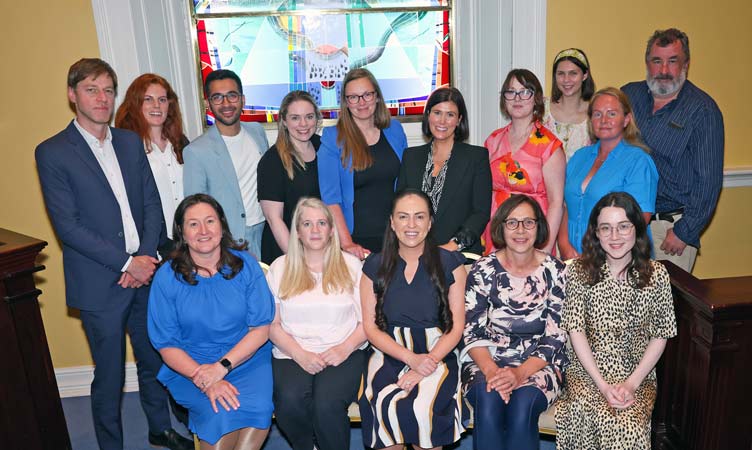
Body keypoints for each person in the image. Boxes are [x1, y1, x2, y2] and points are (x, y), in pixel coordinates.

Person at [35, 58, 192, 450]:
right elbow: (68, 227)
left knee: (154, 359)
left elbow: (152, 204)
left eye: (108, 90)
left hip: (144, 273)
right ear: (73, 95)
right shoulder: (53, 152)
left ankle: (160, 428)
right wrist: (126, 263)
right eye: (91, 89)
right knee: (109, 375)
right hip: (99, 281)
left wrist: (143, 259)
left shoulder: (127, 141)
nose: (101, 98)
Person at [147, 194, 275, 450]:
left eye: (210, 221)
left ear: (222, 226)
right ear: (182, 232)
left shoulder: (246, 266)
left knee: (257, 407)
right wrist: (205, 377)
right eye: (193, 224)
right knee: (221, 413)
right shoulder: (166, 278)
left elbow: (261, 328)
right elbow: (166, 345)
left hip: (245, 359)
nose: (203, 231)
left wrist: (222, 367)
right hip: (191, 367)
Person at [556, 192, 677, 449]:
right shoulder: (579, 272)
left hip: (636, 372)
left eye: (623, 227)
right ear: (596, 233)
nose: (615, 236)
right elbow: (575, 331)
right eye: (606, 228)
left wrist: (631, 384)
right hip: (587, 371)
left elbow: (661, 335)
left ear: (637, 229)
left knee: (627, 425)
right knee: (583, 413)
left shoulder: (657, 275)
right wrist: (602, 384)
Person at [360, 189, 467, 449]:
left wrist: (424, 364)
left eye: (419, 217)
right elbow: (371, 328)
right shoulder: (374, 265)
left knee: (422, 409)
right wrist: (410, 360)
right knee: (386, 403)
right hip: (388, 349)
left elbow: (456, 328)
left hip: (438, 350)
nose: (411, 225)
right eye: (403, 217)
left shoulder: (451, 263)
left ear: (430, 222)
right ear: (392, 222)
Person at [462, 195, 567, 450]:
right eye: (512, 223)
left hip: (540, 364)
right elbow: (472, 331)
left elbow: (554, 337)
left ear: (539, 227)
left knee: (522, 409)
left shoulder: (557, 271)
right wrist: (493, 372)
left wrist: (519, 374)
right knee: (488, 402)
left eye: (528, 222)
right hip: (486, 361)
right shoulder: (482, 269)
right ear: (501, 227)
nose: (520, 230)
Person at [266, 197, 367, 450]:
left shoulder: (352, 266)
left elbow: (368, 322)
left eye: (321, 223)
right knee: (289, 401)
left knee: (326, 404)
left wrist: (343, 349)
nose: (315, 230)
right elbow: (272, 325)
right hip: (292, 351)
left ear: (331, 230)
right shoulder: (280, 267)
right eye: (307, 223)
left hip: (344, 349)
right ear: (297, 231)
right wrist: (300, 354)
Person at [622, 28, 724, 273]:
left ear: (686, 63)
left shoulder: (703, 110)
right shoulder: (628, 96)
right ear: (647, 62)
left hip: (668, 231)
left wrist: (684, 232)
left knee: (667, 309)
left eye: (673, 61)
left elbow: (708, 182)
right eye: (657, 61)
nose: (664, 71)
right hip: (625, 225)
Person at [559, 87, 658, 259]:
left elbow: (640, 218)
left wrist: (600, 255)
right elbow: (567, 207)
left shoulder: (638, 161)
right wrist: (564, 245)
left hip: (616, 257)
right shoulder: (579, 157)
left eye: (611, 114)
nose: (603, 120)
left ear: (626, 119)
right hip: (572, 256)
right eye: (597, 114)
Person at [318, 68, 408, 259]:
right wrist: (347, 244)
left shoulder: (395, 130)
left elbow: (406, 185)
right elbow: (330, 199)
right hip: (356, 243)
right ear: (346, 102)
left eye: (367, 94)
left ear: (377, 96)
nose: (361, 102)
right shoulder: (332, 139)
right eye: (353, 97)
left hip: (397, 238)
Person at [183, 69, 269, 259]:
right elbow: (194, 210)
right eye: (217, 98)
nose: (226, 104)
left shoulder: (257, 132)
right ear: (208, 103)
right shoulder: (196, 151)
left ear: (243, 99)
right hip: (229, 242)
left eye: (232, 96)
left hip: (267, 231)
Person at [396, 87, 491, 255]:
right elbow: (400, 208)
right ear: (428, 115)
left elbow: (481, 213)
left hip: (460, 255)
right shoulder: (410, 157)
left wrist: (451, 247)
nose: (442, 121)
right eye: (437, 112)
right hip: (415, 254)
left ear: (459, 119)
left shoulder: (476, 157)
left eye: (450, 115)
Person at [482, 69, 566, 255]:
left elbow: (556, 203)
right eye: (511, 92)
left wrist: (544, 249)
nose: (517, 98)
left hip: (532, 234)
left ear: (536, 98)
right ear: (504, 99)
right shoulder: (493, 141)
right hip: (497, 233)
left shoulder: (550, 146)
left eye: (525, 91)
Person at [115, 73, 189, 258]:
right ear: (135, 104)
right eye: (148, 99)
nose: (157, 106)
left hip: (189, 239)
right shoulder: (127, 149)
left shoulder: (181, 143)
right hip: (154, 246)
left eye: (162, 100)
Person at [257, 90, 322, 264]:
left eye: (309, 116)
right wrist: (298, 262)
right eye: (295, 118)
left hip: (320, 246)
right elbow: (274, 219)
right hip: (287, 251)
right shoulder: (272, 161)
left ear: (317, 118)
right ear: (284, 121)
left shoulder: (323, 147)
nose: (303, 124)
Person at [543, 48, 595, 160]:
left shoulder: (595, 113)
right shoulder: (541, 110)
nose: (566, 80)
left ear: (585, 75)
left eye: (573, 73)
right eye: (561, 74)